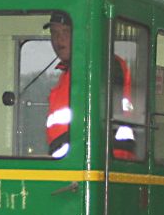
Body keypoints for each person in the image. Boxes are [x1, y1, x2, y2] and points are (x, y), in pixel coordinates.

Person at [43, 12, 137, 160]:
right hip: (68, 164)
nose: (59, 39)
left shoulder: (104, 66)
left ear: (83, 33)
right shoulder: (68, 73)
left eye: (66, 32)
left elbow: (108, 125)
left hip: (95, 164)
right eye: (54, 33)